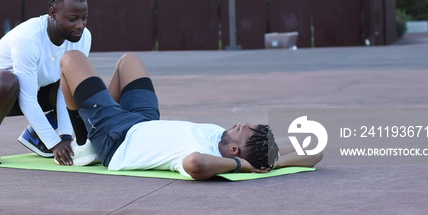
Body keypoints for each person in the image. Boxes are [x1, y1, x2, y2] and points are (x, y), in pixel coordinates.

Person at [57, 51, 323, 179]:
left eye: (243, 129)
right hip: (144, 122)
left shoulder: (200, 153)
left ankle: (84, 144)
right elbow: (315, 150)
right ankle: (97, 121)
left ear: (232, 150)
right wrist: (267, 163)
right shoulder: (226, 141)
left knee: (70, 59)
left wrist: (242, 167)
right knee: (129, 61)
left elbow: (196, 165)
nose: (240, 123)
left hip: (118, 139)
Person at [0, 0, 91, 165]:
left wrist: (65, 137)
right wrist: (54, 143)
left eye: (84, 18)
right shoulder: (28, 38)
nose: (80, 25)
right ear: (53, 13)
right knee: (6, 81)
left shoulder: (84, 37)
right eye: (72, 19)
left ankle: (35, 137)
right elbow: (27, 97)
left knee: (78, 82)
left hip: (34, 88)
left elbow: (65, 91)